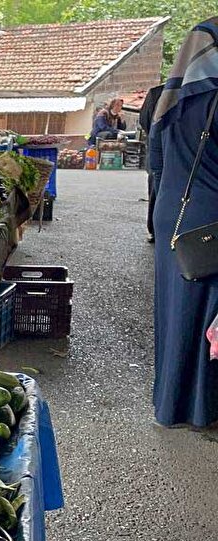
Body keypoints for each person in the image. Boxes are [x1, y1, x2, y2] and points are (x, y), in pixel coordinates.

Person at [149, 16, 218, 429]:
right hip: (211, 218)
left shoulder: (170, 98)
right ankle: (203, 410)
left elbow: (155, 161)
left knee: (177, 312)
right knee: (208, 315)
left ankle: (170, 403)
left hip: (173, 215)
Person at [140, 84, 166, 243]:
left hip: (157, 149)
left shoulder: (156, 93)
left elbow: (144, 121)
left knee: (156, 190)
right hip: (166, 151)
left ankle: (155, 230)